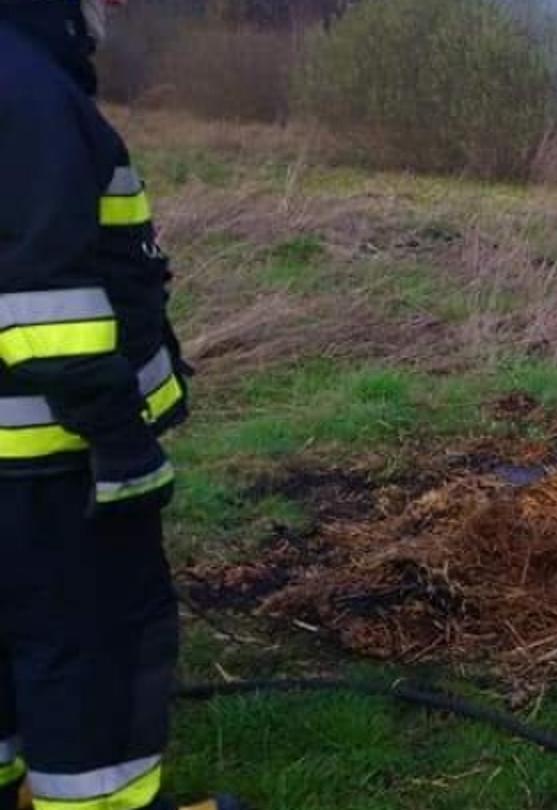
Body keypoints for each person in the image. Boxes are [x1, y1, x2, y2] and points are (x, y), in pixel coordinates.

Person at [0, 2, 241, 808]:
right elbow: (46, 306)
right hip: (52, 462)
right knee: (90, 648)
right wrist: (121, 442)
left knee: (16, 647)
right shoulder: (27, 88)